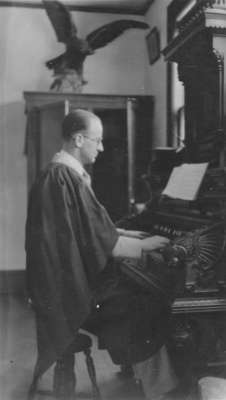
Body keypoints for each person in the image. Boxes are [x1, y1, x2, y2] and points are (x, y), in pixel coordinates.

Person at [25, 109, 178, 400]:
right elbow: (106, 243)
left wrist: (138, 236)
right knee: (146, 303)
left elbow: (96, 232)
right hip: (68, 295)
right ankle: (161, 390)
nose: (103, 147)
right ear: (79, 139)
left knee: (140, 292)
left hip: (65, 286)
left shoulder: (63, 175)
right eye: (98, 140)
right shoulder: (62, 178)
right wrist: (152, 243)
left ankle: (146, 378)